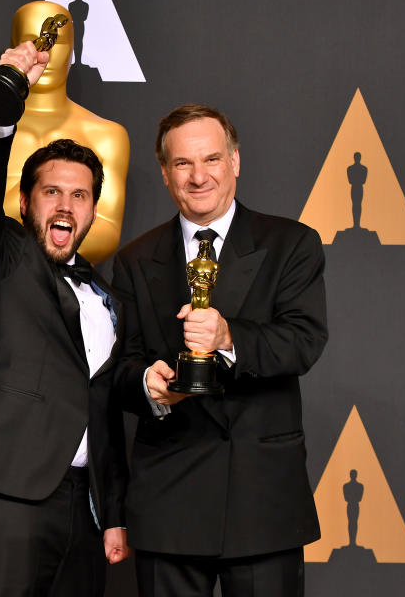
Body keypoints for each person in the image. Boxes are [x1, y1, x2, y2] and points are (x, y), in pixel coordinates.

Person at [111, 104, 328, 597]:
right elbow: (119, 368)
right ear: (165, 172)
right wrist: (147, 385)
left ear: (235, 161)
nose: (198, 176)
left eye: (211, 159)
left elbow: (303, 341)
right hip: (170, 498)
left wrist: (229, 338)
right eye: (183, 164)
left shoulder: (291, 244)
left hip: (261, 499)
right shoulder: (134, 259)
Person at [0, 40, 129, 596]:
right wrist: (2, 107)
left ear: (95, 209)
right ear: (24, 203)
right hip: (3, 496)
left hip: (83, 510)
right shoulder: (0, 253)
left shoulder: (105, 294)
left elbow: (101, 403)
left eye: (80, 195)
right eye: (52, 192)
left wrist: (112, 506)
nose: (66, 206)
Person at [0, 0, 130, 264]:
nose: (44, 50)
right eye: (31, 40)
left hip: (72, 291)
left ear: (72, 49)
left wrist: (16, 216)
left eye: (55, 41)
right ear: (13, 48)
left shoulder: (107, 135)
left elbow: (107, 233)